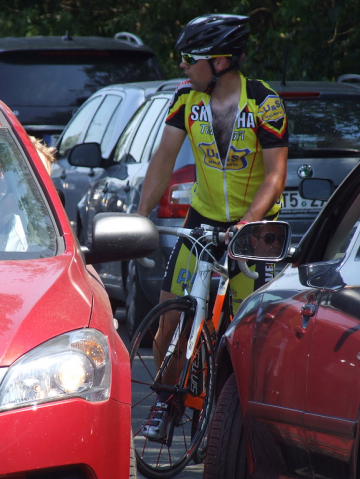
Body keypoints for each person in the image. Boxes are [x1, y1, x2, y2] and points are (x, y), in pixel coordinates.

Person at [135, 13, 288, 441]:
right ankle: (167, 405)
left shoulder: (264, 102)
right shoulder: (186, 100)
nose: (183, 66)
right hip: (202, 222)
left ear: (219, 62)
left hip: (252, 228)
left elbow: (276, 177)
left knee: (244, 336)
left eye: (190, 58)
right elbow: (163, 161)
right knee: (168, 324)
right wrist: (139, 217)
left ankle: (240, 421)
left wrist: (247, 222)